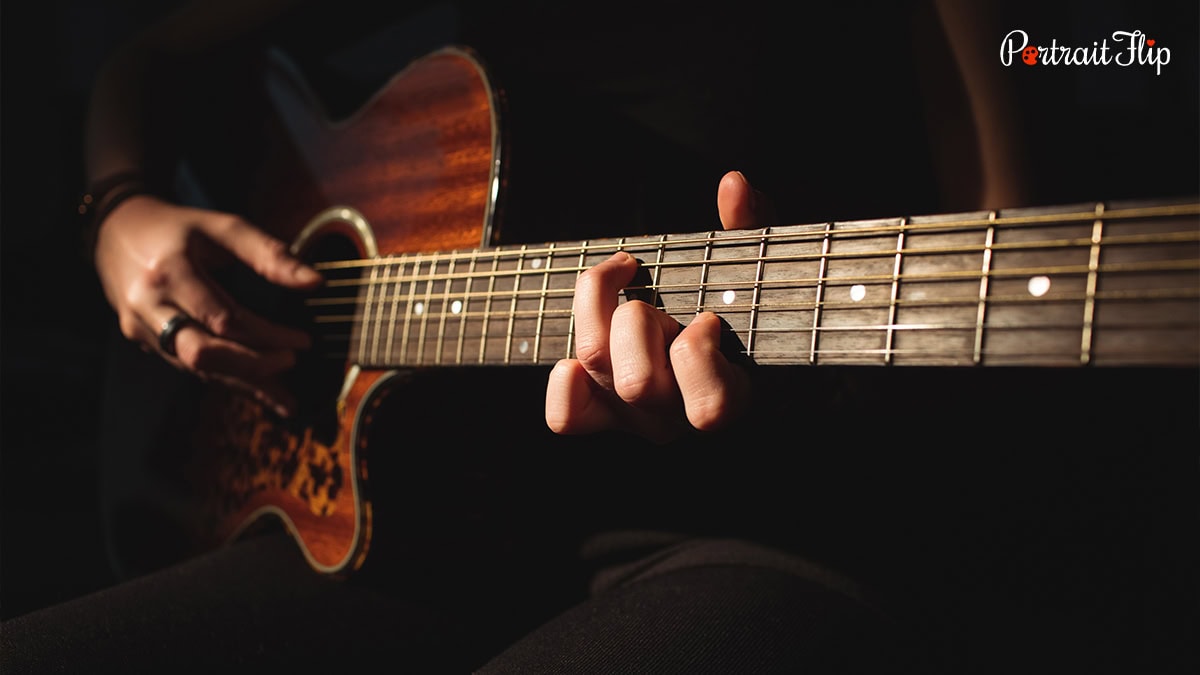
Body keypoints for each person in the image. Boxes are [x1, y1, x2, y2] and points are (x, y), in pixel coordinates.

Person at [3, 1, 1196, 673]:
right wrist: (120, 208)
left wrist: (799, 381)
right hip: (398, 527)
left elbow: (1025, 341)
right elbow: (145, 58)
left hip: (763, 530)